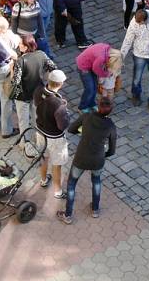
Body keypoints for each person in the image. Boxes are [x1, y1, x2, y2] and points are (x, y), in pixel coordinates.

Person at [57, 95, 117, 225]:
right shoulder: (111, 126)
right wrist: (103, 155)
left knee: (72, 184)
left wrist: (83, 132)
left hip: (81, 158)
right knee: (96, 181)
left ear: (98, 105)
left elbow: (71, 129)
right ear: (111, 110)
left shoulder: (87, 116)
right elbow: (112, 151)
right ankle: (95, 209)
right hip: (98, 160)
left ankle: (68, 215)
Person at [120, 8, 149, 114]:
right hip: (139, 55)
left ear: (145, 20)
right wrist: (121, 57)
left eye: (140, 23)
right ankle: (136, 95)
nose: (139, 25)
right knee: (137, 78)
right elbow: (128, 40)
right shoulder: (134, 24)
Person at [34, 69, 70, 200]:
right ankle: (58, 191)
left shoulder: (39, 91)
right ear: (60, 84)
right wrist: (64, 109)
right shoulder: (58, 103)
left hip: (40, 131)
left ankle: (43, 180)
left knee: (43, 157)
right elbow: (63, 125)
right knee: (57, 164)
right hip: (54, 137)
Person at [10, 34, 56, 134]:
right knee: (37, 119)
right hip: (38, 93)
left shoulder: (20, 61)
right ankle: (39, 141)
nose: (19, 46)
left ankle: (25, 144)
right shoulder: (41, 54)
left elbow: (15, 82)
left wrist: (11, 69)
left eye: (20, 44)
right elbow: (53, 67)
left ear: (26, 46)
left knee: (23, 122)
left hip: (23, 96)